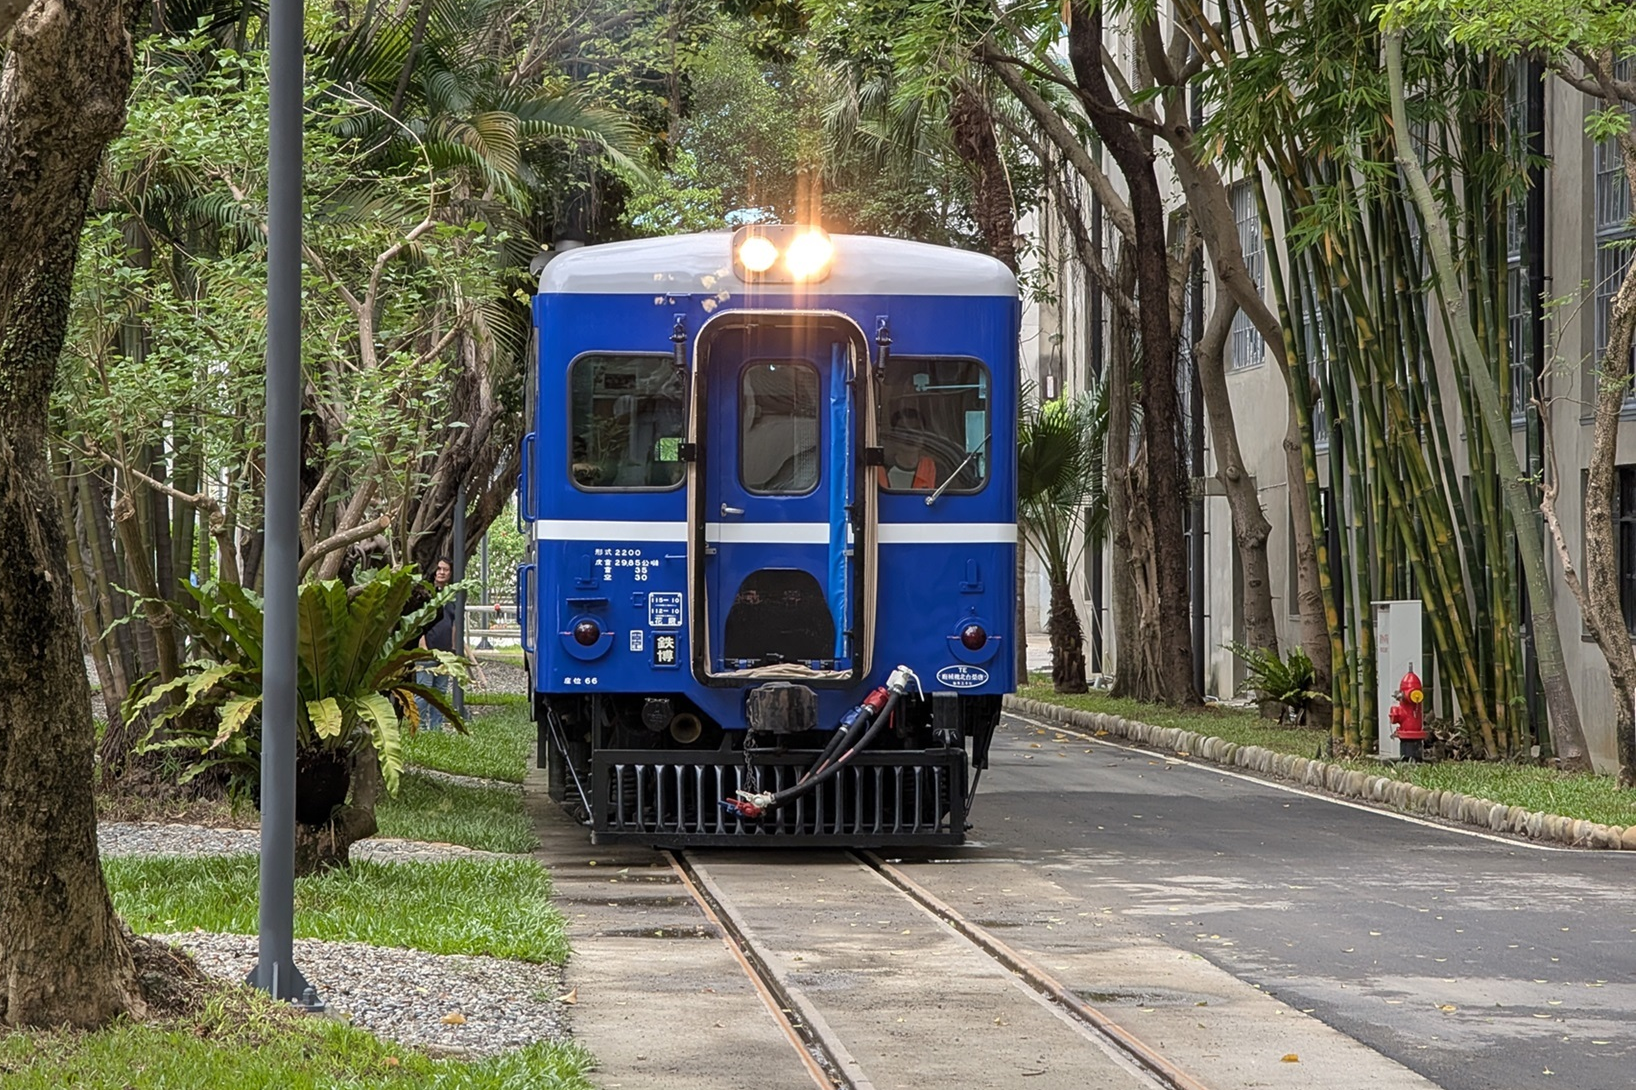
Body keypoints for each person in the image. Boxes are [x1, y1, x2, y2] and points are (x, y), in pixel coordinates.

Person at [417, 557, 487, 730]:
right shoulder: (425, 593)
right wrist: (422, 644)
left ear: (450, 573)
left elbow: (456, 624)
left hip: (446, 653)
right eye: (439, 569)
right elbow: (417, 622)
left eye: (445, 570)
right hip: (427, 652)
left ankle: (436, 728)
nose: (441, 572)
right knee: (424, 691)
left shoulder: (453, 595)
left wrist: (455, 650)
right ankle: (418, 728)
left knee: (440, 692)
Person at [878, 407, 937, 490]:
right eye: (903, 430)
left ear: (924, 436)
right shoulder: (880, 469)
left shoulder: (937, 470)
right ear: (893, 435)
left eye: (916, 430)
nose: (910, 436)